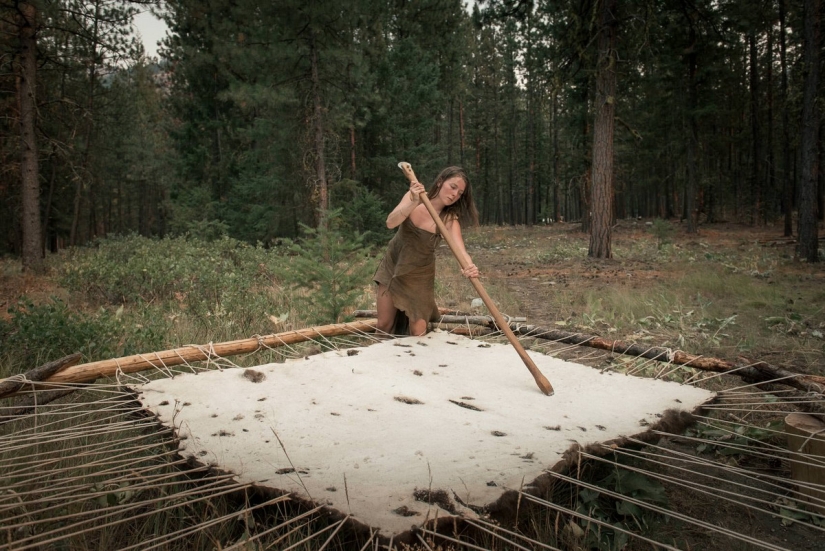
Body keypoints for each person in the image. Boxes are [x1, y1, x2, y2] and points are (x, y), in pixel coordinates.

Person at [374, 166, 480, 336]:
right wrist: (414, 202)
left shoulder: (449, 220)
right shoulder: (412, 197)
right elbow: (390, 223)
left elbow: (461, 251)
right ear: (440, 182)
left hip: (419, 275)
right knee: (384, 325)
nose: (455, 195)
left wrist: (470, 266)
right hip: (393, 266)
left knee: (418, 331)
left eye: (460, 193)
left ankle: (417, 362)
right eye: (453, 187)